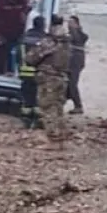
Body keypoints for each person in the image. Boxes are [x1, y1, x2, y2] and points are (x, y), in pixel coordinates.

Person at [24, 14, 72, 144]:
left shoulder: (50, 42)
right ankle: (60, 137)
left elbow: (31, 58)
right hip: (62, 78)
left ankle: (52, 138)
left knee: (47, 107)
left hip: (48, 79)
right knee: (57, 108)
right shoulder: (66, 42)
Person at [0, 0, 29, 75]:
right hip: (13, 32)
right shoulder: (19, 5)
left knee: (4, 52)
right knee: (9, 52)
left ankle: (2, 70)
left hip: (6, 32)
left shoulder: (2, 2)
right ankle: (8, 70)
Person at [17, 16, 47, 128]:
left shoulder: (24, 37)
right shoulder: (45, 39)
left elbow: (18, 54)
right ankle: (37, 121)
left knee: (26, 96)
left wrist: (20, 67)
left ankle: (26, 120)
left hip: (24, 72)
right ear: (43, 25)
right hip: (39, 73)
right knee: (38, 97)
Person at [66, 15, 88, 115]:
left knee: (72, 84)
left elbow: (78, 38)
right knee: (66, 83)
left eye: (71, 22)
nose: (68, 24)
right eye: (68, 22)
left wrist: (74, 29)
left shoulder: (79, 34)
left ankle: (78, 106)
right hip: (70, 62)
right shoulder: (71, 33)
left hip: (76, 62)